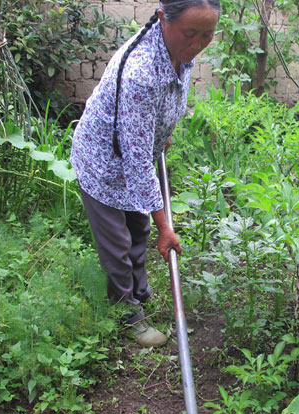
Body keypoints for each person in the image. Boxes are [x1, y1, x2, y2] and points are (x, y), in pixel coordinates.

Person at [70, 0, 220, 347]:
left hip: (133, 151)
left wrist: (161, 129)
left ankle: (140, 293)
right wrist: (166, 226)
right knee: (118, 244)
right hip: (103, 162)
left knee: (139, 229)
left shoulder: (175, 47)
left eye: (207, 35)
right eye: (190, 34)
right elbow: (137, 166)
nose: (197, 44)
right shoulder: (141, 72)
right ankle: (128, 316)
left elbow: (163, 100)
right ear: (162, 19)